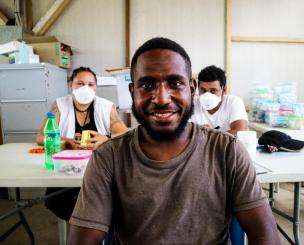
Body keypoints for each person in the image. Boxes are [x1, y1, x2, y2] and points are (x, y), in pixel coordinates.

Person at [68, 38, 280, 244]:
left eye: (175, 83)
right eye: (147, 85)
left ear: (191, 89)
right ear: (133, 92)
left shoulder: (227, 151)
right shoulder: (108, 157)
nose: (161, 98)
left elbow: (265, 235)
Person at [36, 66, 128, 221]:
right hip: (68, 169)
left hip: (100, 168)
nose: (85, 88)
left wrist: (106, 138)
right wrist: (65, 142)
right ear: (71, 85)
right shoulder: (59, 105)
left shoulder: (106, 107)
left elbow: (124, 134)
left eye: (90, 84)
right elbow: (40, 138)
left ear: (96, 87)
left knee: (107, 203)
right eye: (80, 83)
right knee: (69, 206)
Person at [191, 65, 248, 135]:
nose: (207, 96)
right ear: (198, 88)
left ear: (224, 90)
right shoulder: (191, 104)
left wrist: (209, 134)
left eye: (213, 91)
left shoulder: (233, 102)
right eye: (203, 90)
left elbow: (240, 132)